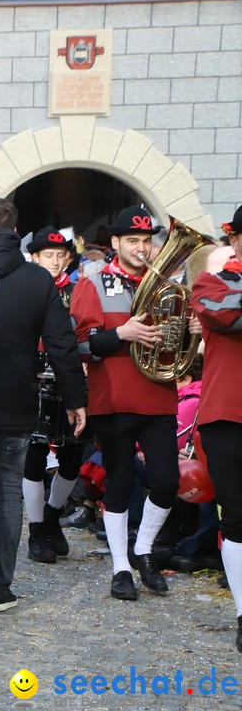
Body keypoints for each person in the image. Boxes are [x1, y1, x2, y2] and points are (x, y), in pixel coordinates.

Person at [0, 198, 87, 613]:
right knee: (8, 494)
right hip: (15, 401)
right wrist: (76, 399)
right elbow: (63, 346)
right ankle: (0, 586)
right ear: (15, 230)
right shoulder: (38, 279)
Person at [70, 205, 180, 601]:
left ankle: (143, 548)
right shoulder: (94, 284)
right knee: (117, 483)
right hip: (113, 398)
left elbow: (180, 346)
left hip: (159, 397)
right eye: (132, 240)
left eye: (146, 241)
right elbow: (81, 343)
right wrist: (123, 332)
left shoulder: (165, 283)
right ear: (115, 243)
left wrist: (192, 332)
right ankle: (120, 567)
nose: (141, 248)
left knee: (168, 482)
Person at [21, 226, 88, 563]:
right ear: (35, 257)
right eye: (49, 255)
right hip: (33, 379)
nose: (57, 261)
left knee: (73, 456)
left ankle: (52, 516)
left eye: (62, 256)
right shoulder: (25, 287)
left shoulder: (77, 289)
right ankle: (35, 530)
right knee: (33, 458)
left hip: (70, 378)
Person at [191, 205, 242, 648]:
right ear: (236, 241)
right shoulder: (214, 282)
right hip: (229, 416)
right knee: (239, 517)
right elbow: (229, 316)